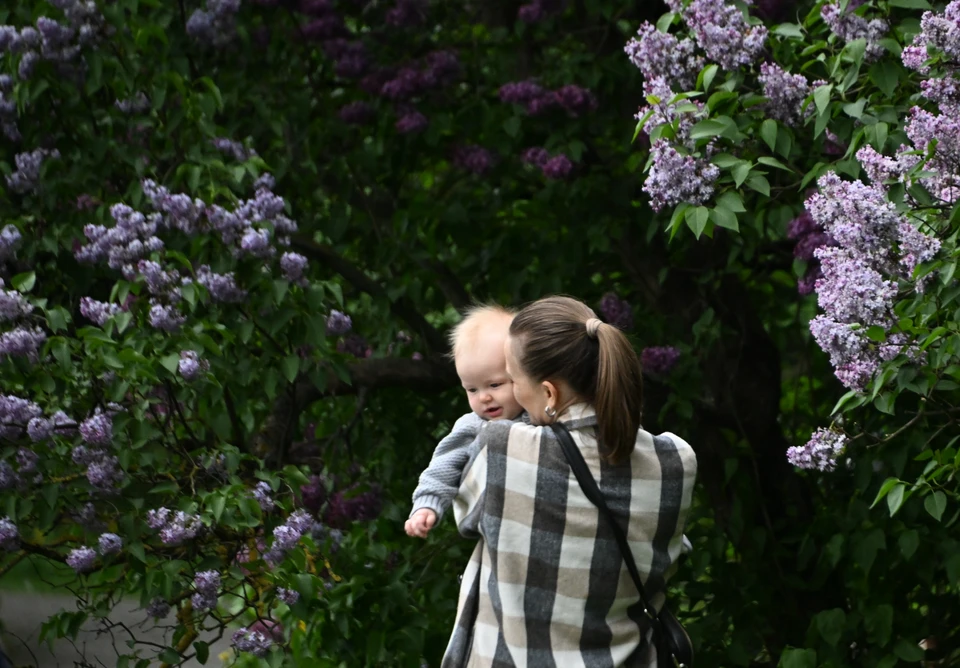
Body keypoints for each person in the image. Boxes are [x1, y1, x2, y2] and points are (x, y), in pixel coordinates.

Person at [442, 295, 697, 667]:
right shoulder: (675, 460)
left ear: (549, 393)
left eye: (513, 380)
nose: (511, 393)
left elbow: (466, 518)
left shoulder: (501, 447)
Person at [405, 304, 526, 539]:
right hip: (501, 530)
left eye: (494, 385)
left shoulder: (544, 412)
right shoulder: (473, 425)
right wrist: (427, 505)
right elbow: (443, 466)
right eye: (472, 389)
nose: (484, 397)